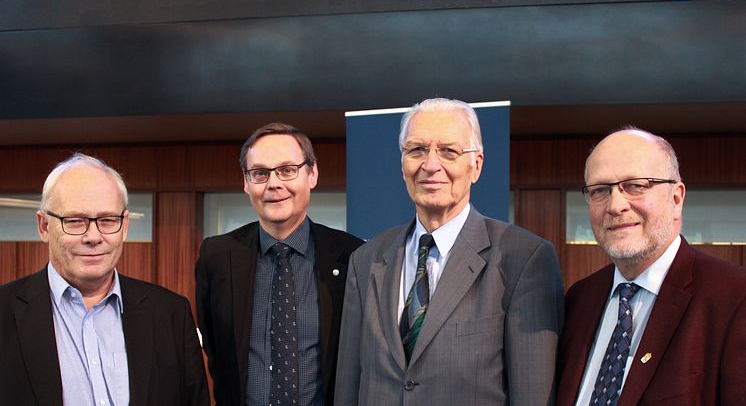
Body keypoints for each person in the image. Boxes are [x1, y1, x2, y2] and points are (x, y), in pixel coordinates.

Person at [334, 98, 564, 406]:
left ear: (476, 165)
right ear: (402, 165)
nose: (430, 165)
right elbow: (349, 387)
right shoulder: (367, 259)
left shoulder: (524, 258)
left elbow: (533, 395)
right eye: (417, 150)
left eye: (449, 151)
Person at [0, 153, 209, 406]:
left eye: (107, 220)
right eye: (75, 221)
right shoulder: (5, 311)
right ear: (44, 226)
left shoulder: (171, 313)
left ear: (125, 226)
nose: (93, 236)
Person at [557, 128, 746, 406]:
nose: (616, 205)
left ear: (676, 198)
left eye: (636, 186)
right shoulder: (580, 299)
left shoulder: (735, 298)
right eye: (600, 190)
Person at [195, 123, 364, 406]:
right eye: (260, 173)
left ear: (313, 174)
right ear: (246, 183)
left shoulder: (353, 256)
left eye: (287, 170)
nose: (274, 184)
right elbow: (215, 349)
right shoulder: (217, 256)